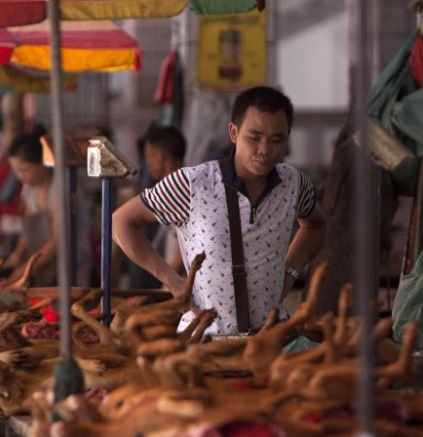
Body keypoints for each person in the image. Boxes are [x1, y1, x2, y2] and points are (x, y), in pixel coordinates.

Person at [113, 86, 327, 335]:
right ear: (234, 133)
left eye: (276, 139)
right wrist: (172, 281)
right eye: (254, 137)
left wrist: (290, 271)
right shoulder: (193, 183)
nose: (265, 149)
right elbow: (122, 221)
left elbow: (315, 225)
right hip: (204, 342)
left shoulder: (293, 184)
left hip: (271, 340)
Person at [3, 131, 92, 287]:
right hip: (46, 265)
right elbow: (28, 228)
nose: (19, 176)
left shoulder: (62, 186)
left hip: (72, 265)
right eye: (15, 171)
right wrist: (17, 255)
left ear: (41, 163)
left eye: (24, 169)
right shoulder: (29, 189)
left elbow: (59, 240)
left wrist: (25, 270)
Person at [125, 125, 187, 289]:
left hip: (179, 284)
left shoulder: (179, 189)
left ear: (161, 156)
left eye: (149, 156)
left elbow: (182, 253)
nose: (148, 163)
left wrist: (167, 282)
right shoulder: (174, 186)